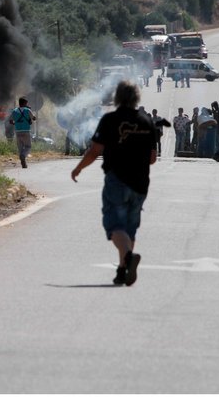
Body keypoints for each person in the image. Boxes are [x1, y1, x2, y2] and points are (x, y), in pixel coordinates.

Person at [70, 80, 157, 287]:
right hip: (140, 183)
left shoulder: (110, 120)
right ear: (137, 97)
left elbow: (95, 150)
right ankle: (122, 270)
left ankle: (127, 258)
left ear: (117, 97)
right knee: (130, 228)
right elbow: (153, 158)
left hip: (117, 180)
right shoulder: (146, 122)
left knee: (115, 225)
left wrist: (79, 168)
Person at [10, 96, 36, 168]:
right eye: (26, 103)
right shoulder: (28, 110)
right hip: (26, 131)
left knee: (20, 148)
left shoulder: (14, 111)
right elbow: (33, 118)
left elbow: (10, 121)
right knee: (28, 146)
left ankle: (23, 163)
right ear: (25, 103)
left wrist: (16, 123)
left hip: (18, 131)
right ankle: (23, 156)